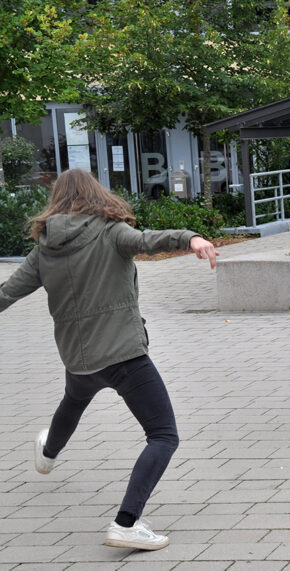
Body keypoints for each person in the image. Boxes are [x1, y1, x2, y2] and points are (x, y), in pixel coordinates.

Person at [0, 168, 219, 550]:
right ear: (96, 195)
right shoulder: (110, 231)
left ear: (58, 201)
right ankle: (126, 523)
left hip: (79, 360)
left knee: (74, 400)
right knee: (164, 435)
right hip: (122, 355)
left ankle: (48, 451)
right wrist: (192, 237)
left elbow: (7, 293)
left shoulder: (44, 248)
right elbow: (149, 241)